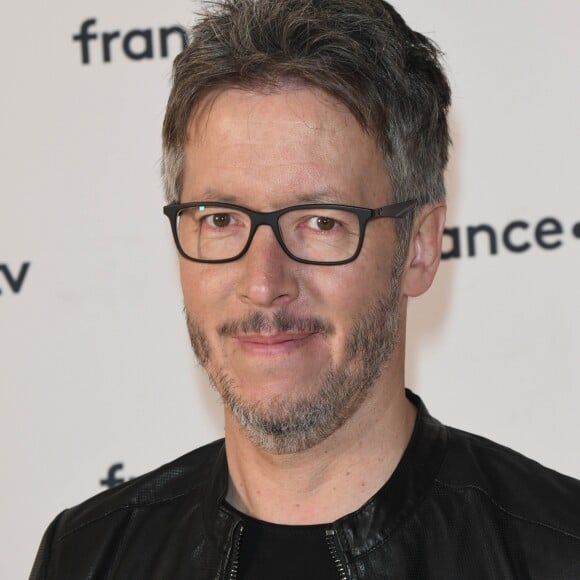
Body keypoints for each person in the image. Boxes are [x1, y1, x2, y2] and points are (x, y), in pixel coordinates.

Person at [31, 1, 580, 578]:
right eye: (221, 219)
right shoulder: (88, 555)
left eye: (321, 222)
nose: (264, 284)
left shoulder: (556, 551)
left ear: (418, 247)